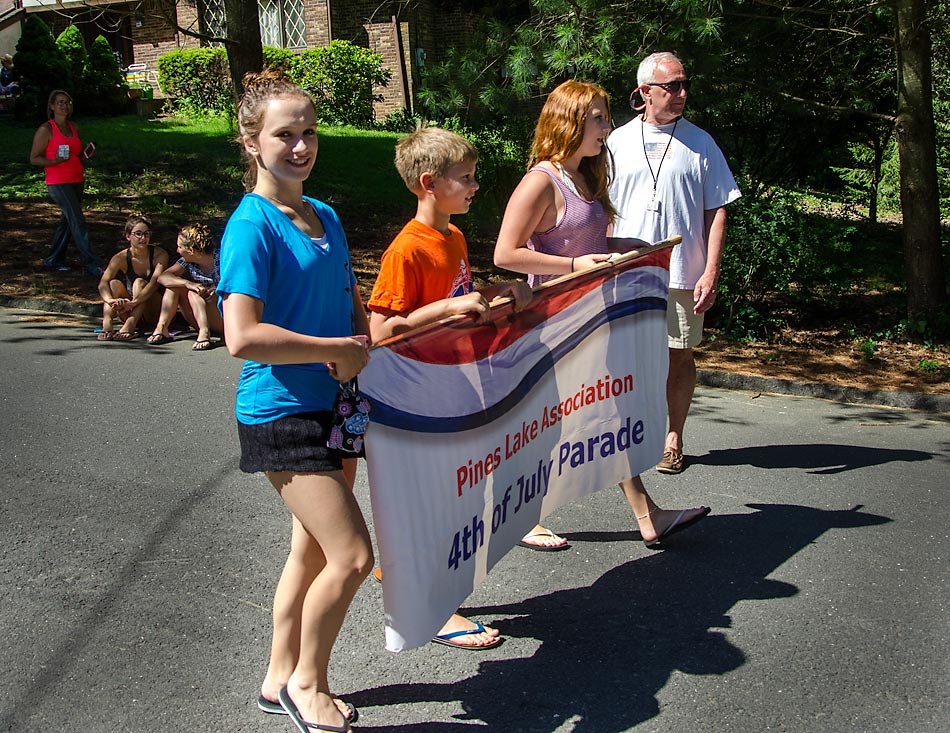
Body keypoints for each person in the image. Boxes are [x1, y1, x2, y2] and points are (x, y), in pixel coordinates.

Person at [217, 69, 371, 732]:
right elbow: (241, 335)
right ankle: (308, 684)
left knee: (310, 550)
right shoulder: (250, 227)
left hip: (334, 404)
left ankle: (277, 672)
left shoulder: (325, 215)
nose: (302, 145)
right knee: (353, 555)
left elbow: (351, 307)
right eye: (286, 134)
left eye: (309, 132)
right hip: (280, 411)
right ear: (253, 142)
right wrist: (331, 347)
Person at [494, 79, 710, 548]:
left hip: (590, 317)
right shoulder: (540, 180)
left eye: (605, 117)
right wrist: (574, 265)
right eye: (597, 118)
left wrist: (623, 247)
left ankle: (644, 515)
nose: (606, 127)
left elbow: (583, 241)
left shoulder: (585, 176)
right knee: (568, 418)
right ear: (569, 120)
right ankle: (536, 518)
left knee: (594, 413)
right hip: (553, 324)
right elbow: (506, 254)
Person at [367, 126, 533, 648]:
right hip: (417, 396)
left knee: (456, 497)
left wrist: (495, 289)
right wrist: (444, 309)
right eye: (465, 178)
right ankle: (434, 607)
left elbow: (458, 295)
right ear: (428, 184)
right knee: (436, 503)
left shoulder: (453, 237)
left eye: (474, 177)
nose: (474, 186)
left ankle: (405, 571)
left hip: (452, 387)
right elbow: (380, 331)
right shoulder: (406, 249)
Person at [608, 52, 741, 474]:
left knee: (678, 355)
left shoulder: (701, 143)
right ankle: (624, 438)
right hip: (626, 273)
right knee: (623, 359)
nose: (683, 94)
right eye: (673, 86)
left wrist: (711, 271)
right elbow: (599, 206)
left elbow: (717, 209)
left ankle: (673, 439)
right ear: (644, 92)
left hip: (684, 271)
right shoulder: (614, 142)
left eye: (685, 85)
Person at [28, 89, 102, 277]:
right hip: (58, 182)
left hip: (76, 178)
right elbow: (34, 158)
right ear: (51, 106)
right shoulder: (46, 129)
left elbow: (75, 154)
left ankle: (53, 260)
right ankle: (92, 263)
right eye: (60, 102)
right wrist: (53, 162)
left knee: (67, 222)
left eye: (67, 102)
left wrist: (84, 154)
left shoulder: (73, 127)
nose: (64, 105)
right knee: (77, 220)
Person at [147, 223, 223, 350]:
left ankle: (205, 333)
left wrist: (219, 290)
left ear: (191, 250)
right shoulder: (187, 262)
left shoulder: (222, 258)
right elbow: (163, 277)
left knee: (193, 293)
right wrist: (188, 283)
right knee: (176, 286)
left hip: (222, 314)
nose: (177, 251)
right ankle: (162, 328)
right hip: (199, 312)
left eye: (180, 247)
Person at [97, 214, 169, 341]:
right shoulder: (120, 258)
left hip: (153, 311)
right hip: (130, 308)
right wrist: (109, 300)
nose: (143, 238)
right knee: (113, 283)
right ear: (128, 236)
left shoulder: (160, 255)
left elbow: (154, 284)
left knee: (139, 283)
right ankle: (107, 324)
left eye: (146, 234)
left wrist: (134, 303)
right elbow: (103, 282)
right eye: (138, 234)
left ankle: (130, 325)